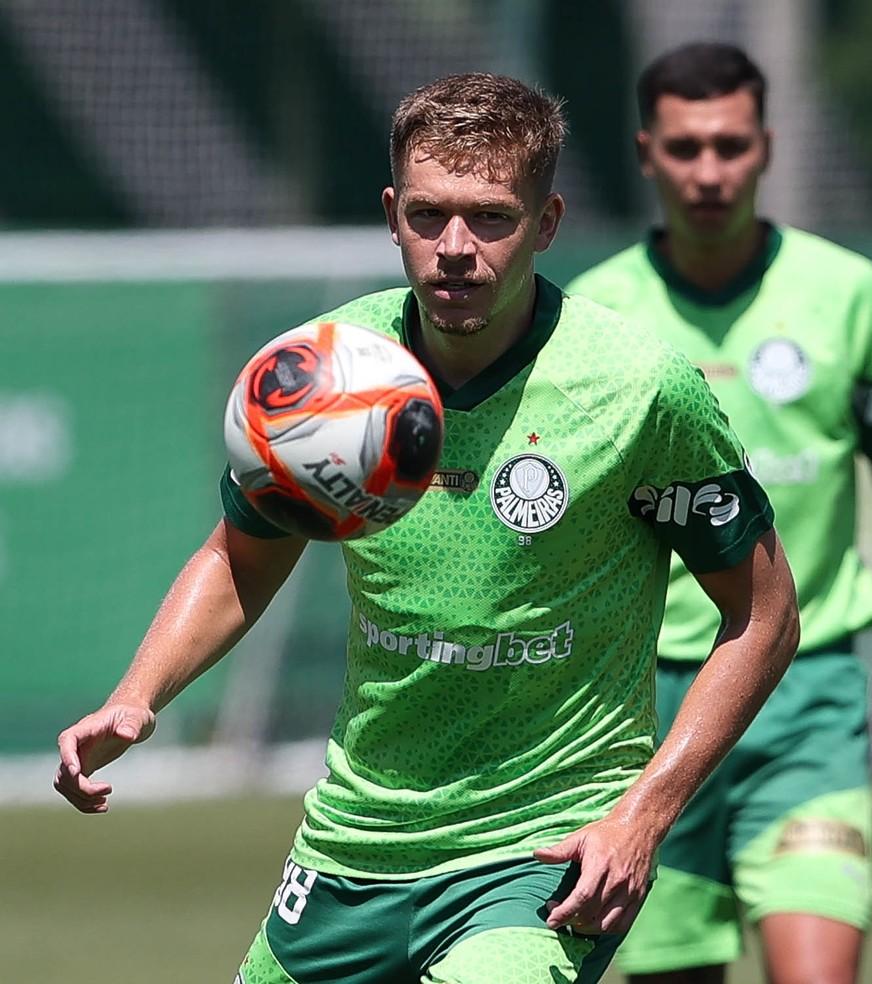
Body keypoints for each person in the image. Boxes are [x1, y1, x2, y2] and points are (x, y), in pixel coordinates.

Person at [54, 72, 799, 984]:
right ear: (391, 215)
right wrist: (138, 695)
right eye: (427, 215)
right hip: (354, 844)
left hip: (541, 848)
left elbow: (764, 617)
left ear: (547, 223)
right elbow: (241, 557)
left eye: (490, 218)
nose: (453, 248)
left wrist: (644, 813)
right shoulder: (322, 375)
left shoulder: (640, 390)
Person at [567, 42, 872, 984]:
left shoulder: (848, 294)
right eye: (685, 148)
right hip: (644, 714)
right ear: (646, 154)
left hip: (807, 695)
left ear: (767, 148)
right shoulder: (597, 315)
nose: (709, 172)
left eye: (731, 145)